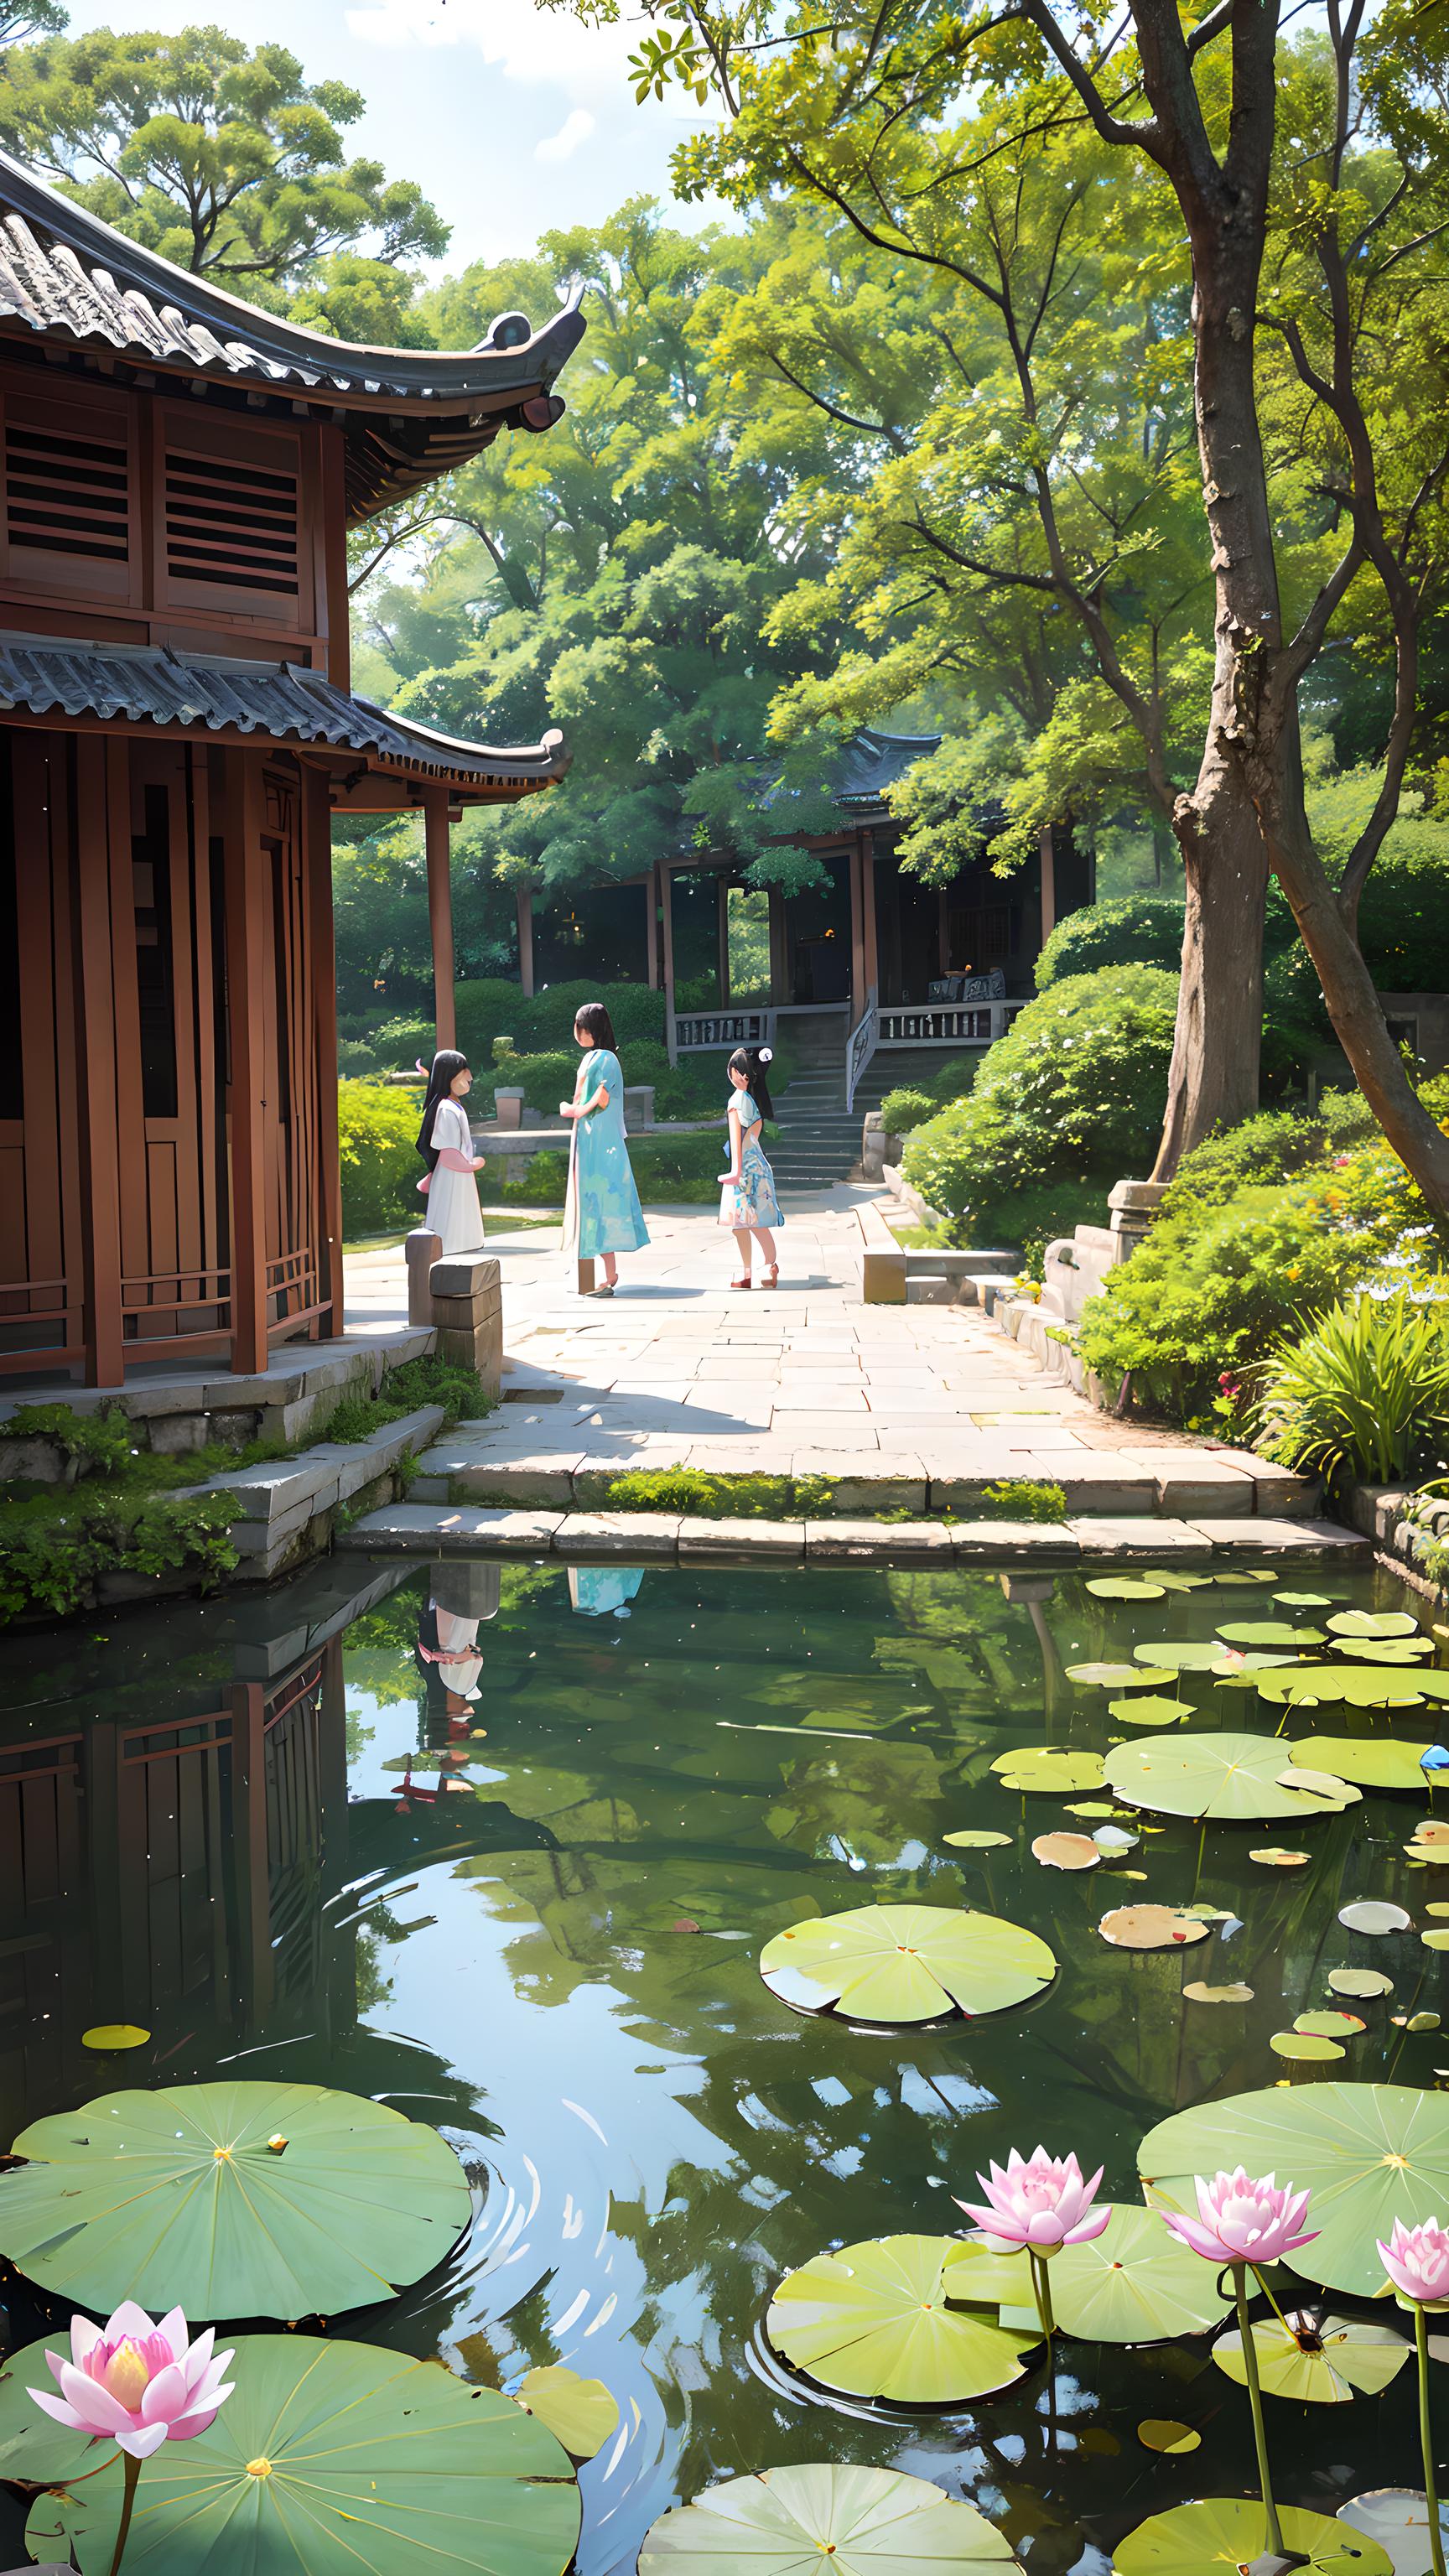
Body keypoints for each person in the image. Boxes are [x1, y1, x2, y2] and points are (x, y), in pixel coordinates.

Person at [560, 1001, 648, 1295]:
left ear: (588, 1029)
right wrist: (575, 1110)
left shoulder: (605, 1059)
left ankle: (606, 1275)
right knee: (592, 1202)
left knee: (597, 1201)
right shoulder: (594, 1059)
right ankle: (606, 1275)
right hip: (588, 1139)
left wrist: (575, 1111)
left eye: (579, 1025)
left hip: (599, 1143)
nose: (577, 1031)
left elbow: (601, 1098)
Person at [718, 1043, 782, 1289]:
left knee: (743, 1224)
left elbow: (737, 1139)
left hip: (744, 1169)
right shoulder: (753, 1102)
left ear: (737, 1073)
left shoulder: (736, 1100)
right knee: (753, 1224)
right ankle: (767, 1267)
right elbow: (751, 1137)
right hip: (757, 1166)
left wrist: (735, 1170)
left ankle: (754, 1270)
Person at [415, 1048, 486, 1256]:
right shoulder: (446, 1109)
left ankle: (457, 1247)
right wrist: (471, 1165)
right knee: (453, 1217)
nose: (470, 1076)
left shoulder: (452, 1106)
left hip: (458, 1176)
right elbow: (447, 1152)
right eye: (464, 1070)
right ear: (449, 1074)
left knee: (458, 1216)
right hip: (454, 1176)